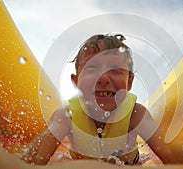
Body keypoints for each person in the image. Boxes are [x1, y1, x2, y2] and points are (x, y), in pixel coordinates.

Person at [21, 34, 161, 165]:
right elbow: (32, 158)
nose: (103, 78)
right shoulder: (66, 116)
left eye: (115, 70)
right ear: (76, 82)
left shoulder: (136, 114)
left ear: (129, 83)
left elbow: (170, 152)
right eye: (91, 68)